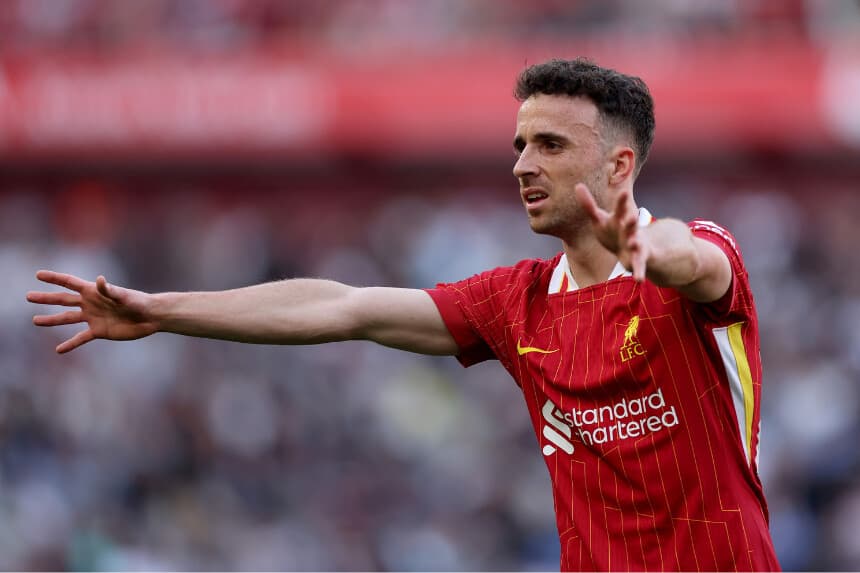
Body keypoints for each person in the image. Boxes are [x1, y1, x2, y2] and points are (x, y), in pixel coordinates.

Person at [27, 58, 780, 571]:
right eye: (519, 144)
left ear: (618, 166)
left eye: (550, 144)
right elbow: (345, 306)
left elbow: (694, 257)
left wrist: (646, 241)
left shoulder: (695, 263)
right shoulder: (514, 302)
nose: (521, 164)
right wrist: (164, 310)